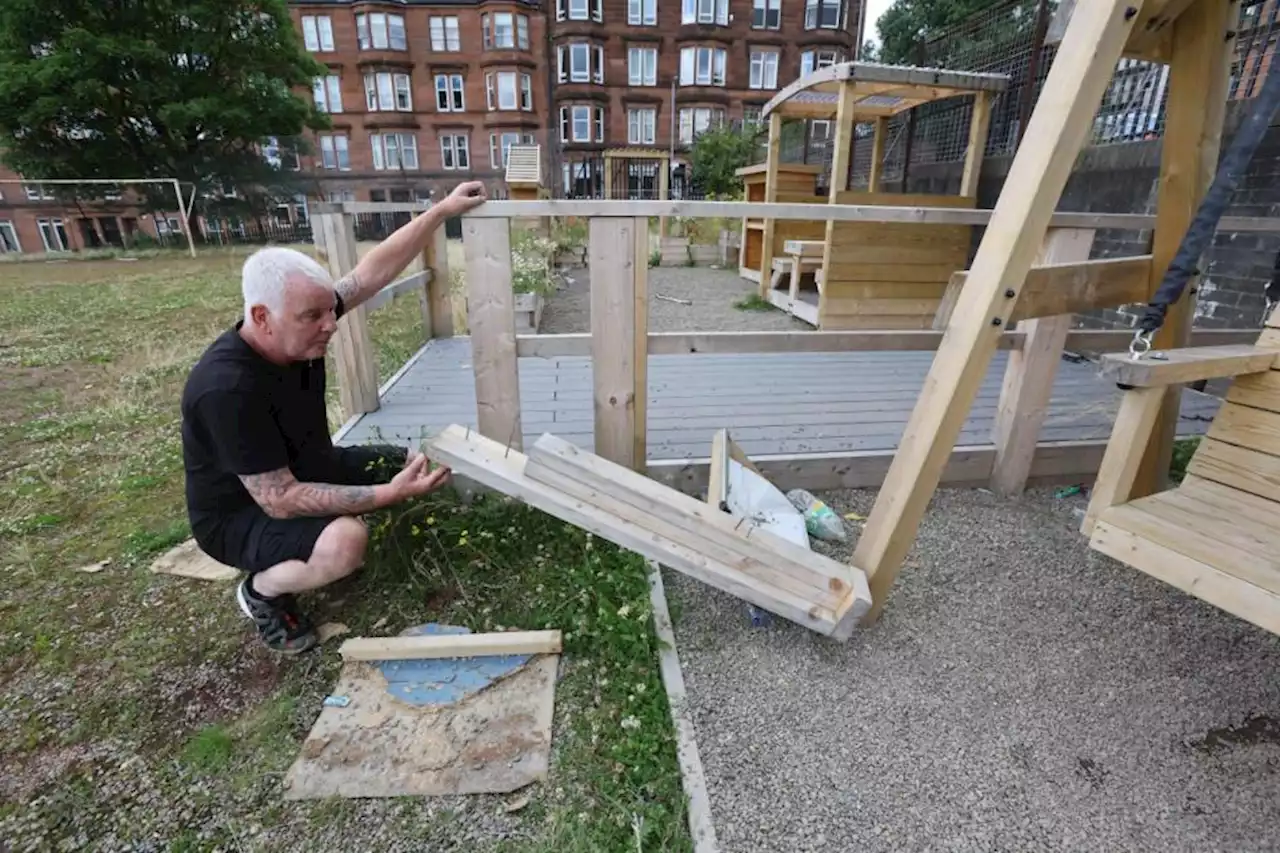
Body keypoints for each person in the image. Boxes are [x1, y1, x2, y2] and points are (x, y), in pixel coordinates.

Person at [180, 181, 488, 654]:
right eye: (313, 317)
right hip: (239, 515)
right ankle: (261, 591)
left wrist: (442, 211)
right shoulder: (225, 388)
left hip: (308, 465)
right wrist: (386, 497)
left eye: (330, 311)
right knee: (347, 540)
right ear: (262, 317)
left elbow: (370, 273)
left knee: (413, 460)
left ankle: (327, 538)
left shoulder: (300, 317)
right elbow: (279, 500)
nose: (330, 325)